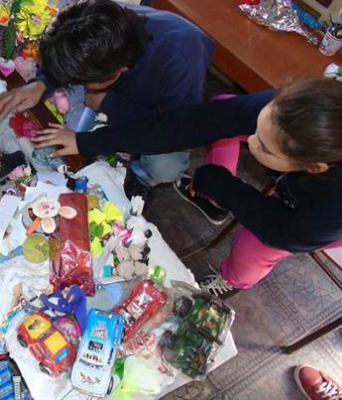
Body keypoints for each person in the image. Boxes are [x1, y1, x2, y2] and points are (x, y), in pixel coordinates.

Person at [34, 78, 342, 297]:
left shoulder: (328, 214)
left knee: (255, 248)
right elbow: (190, 125)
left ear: (313, 167)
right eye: (257, 129)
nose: (250, 142)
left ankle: (233, 280)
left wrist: (227, 187)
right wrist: (85, 141)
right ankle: (216, 192)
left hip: (305, 224)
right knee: (225, 110)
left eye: (264, 147)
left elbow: (282, 231)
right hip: (304, 181)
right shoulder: (293, 109)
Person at [0, 0, 214, 193]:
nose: (77, 86)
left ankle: (141, 176)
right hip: (113, 88)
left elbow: (170, 131)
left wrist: (105, 110)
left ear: (116, 74)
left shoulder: (181, 62)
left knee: (165, 167)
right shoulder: (92, 19)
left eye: (81, 82)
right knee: (73, 141)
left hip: (170, 115)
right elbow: (67, 54)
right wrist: (40, 84)